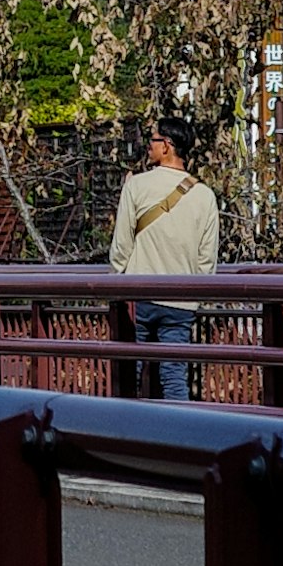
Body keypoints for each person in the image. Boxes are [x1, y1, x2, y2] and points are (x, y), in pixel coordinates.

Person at [108, 115, 220, 395]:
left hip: (139, 294)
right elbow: (207, 258)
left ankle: (124, 431)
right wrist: (198, 290)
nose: (149, 145)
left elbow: (122, 244)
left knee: (129, 373)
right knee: (173, 376)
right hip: (181, 298)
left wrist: (114, 280)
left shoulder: (136, 185)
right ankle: (178, 434)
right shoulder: (204, 195)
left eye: (153, 139)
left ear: (167, 145)